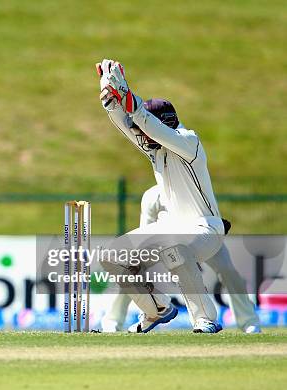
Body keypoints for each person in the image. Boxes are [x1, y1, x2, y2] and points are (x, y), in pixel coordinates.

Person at [96, 59, 227, 333]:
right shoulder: (156, 149)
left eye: (144, 129)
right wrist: (111, 101)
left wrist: (130, 98)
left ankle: (204, 319)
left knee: (174, 247)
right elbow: (132, 127)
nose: (141, 137)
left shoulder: (188, 142)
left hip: (205, 229)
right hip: (173, 229)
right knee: (111, 256)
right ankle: (157, 309)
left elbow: (150, 127)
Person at [101, 185, 262, 334]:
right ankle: (113, 321)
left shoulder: (193, 188)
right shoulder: (152, 196)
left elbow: (212, 217)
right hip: (166, 243)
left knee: (227, 270)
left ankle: (249, 322)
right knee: (131, 266)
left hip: (203, 238)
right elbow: (143, 234)